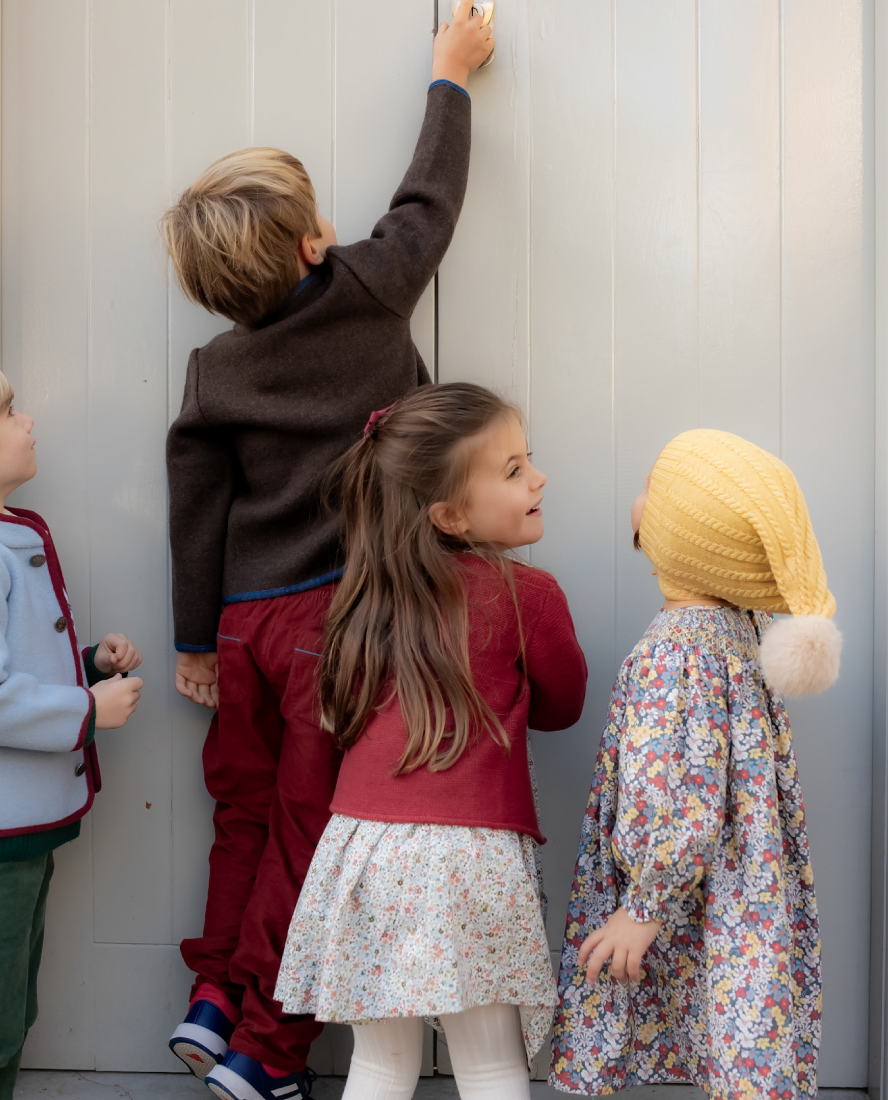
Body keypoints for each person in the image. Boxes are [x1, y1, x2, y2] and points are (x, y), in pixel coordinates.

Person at [161, 9, 495, 1099]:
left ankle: (213, 994)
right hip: (336, 629)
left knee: (244, 818)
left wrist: (194, 637)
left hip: (248, 623)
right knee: (312, 839)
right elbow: (428, 202)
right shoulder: (368, 287)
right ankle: (266, 1048)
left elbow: (194, 506)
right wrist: (450, 78)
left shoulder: (216, 369)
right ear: (313, 243)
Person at [274, 383, 588, 1100]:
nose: (537, 477)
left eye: (527, 460)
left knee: (380, 1064)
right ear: (447, 513)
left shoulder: (363, 599)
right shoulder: (529, 596)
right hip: (469, 856)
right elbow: (563, 707)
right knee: (491, 1063)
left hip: (365, 848)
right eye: (512, 470)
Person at [550, 429, 841, 1100]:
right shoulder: (742, 631)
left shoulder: (675, 653)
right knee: (738, 1040)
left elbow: (679, 795)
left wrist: (643, 906)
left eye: (654, 487)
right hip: (741, 883)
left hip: (682, 885)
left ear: (685, 538)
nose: (639, 496)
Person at [0, 369, 143, 1100]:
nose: (27, 423)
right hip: (2, 837)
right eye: (8, 412)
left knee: (14, 993)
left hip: (23, 827)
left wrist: (90, 667)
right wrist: (85, 711)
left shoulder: (11, 531)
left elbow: (18, 660)